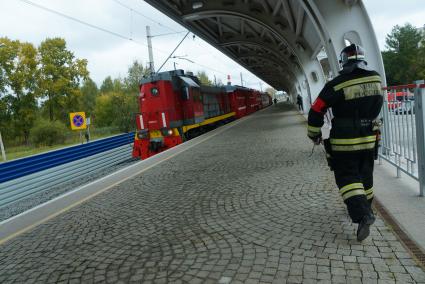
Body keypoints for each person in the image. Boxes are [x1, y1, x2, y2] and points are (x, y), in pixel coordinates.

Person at [307, 44, 383, 241]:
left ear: (343, 62)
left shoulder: (336, 84)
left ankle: (363, 215)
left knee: (347, 178)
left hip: (344, 140)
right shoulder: (376, 78)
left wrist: (313, 133)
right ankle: (366, 205)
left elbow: (317, 109)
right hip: (369, 137)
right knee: (365, 174)